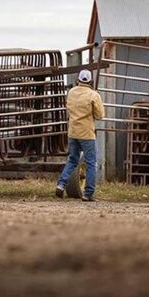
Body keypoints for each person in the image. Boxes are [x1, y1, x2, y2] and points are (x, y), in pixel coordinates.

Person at [55, 69, 104, 202]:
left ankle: (61, 184)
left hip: (72, 132)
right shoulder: (93, 95)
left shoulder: (71, 92)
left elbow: (68, 109)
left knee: (72, 160)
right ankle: (88, 193)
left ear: (78, 80)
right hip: (87, 133)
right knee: (91, 163)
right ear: (90, 81)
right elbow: (100, 115)